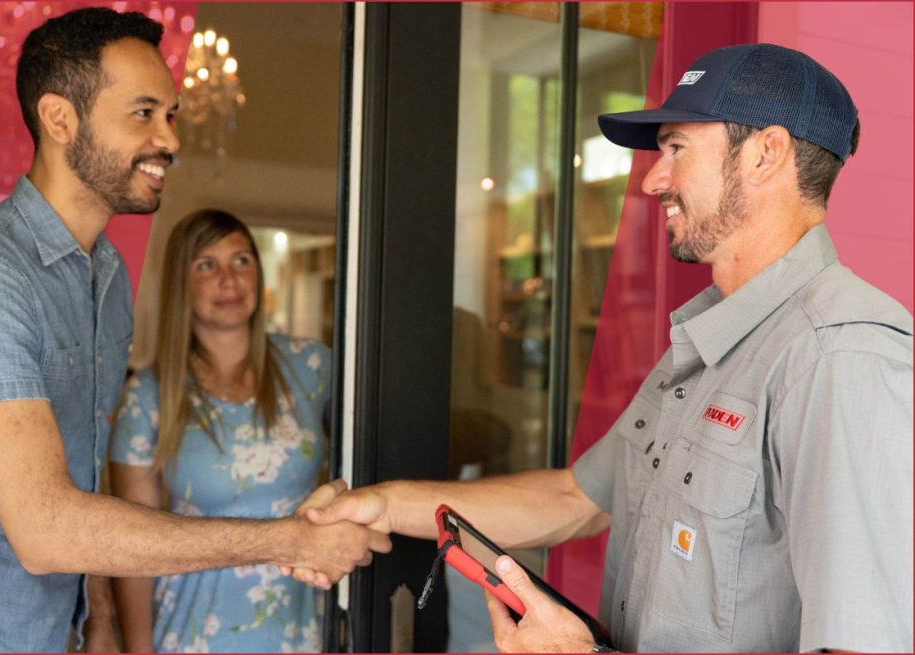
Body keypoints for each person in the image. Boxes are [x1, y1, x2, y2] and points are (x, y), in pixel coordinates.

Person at [293, 43, 913, 653]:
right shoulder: (703, 345)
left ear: (765, 154)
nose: (653, 180)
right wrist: (382, 505)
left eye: (676, 148)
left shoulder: (840, 358)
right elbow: (576, 499)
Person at [0, 8, 389, 653]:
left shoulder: (103, 276)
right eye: (143, 113)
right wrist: (289, 538)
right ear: (59, 118)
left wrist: (98, 613)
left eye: (171, 116)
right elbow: (46, 529)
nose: (171, 141)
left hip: (48, 629)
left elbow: (83, 473)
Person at [107, 209, 333, 652]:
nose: (228, 279)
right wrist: (137, 649)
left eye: (241, 261)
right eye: (207, 265)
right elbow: (132, 549)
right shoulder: (149, 396)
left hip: (301, 629)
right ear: (180, 284)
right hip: (193, 632)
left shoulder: (314, 368)